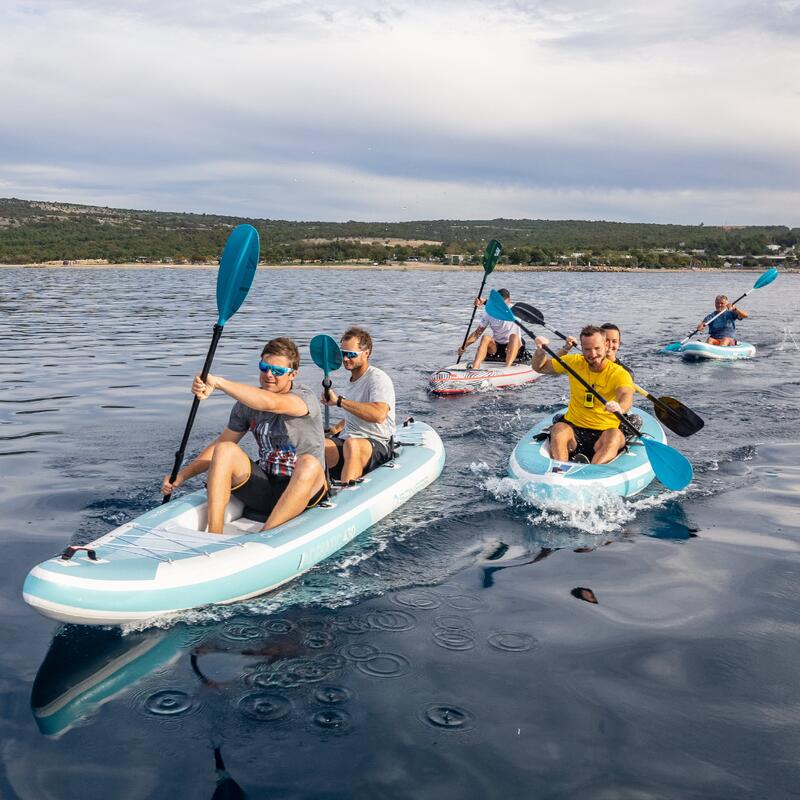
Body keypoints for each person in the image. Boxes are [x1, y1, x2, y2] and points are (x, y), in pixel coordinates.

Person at [161, 337, 327, 534]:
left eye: (278, 371)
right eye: (264, 367)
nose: (269, 375)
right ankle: (214, 534)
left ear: (293, 374)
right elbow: (221, 444)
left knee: (308, 463)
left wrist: (218, 382)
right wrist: (182, 476)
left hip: (306, 489)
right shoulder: (247, 404)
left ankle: (265, 537)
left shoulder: (304, 398)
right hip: (266, 485)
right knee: (224, 448)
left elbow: (270, 403)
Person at [531, 325, 634, 464]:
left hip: (604, 433)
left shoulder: (619, 373)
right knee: (559, 428)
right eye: (587, 349)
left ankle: (593, 471)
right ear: (582, 348)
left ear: (606, 346)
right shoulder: (574, 362)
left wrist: (619, 407)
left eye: (597, 348)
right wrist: (540, 351)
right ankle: (559, 472)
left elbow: (626, 395)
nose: (592, 354)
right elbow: (540, 367)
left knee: (615, 435)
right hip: (574, 430)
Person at [322, 326, 396, 483]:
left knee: (352, 445)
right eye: (343, 354)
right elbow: (358, 410)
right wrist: (335, 429)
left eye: (351, 354)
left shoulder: (377, 378)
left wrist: (340, 401)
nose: (345, 359)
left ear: (367, 353)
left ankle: (346, 497)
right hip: (349, 438)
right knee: (316, 445)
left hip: (378, 443)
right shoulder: (352, 380)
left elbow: (379, 414)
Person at [457, 288, 525, 370]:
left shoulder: (516, 310)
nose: (501, 304)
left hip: (514, 346)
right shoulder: (489, 313)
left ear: (509, 300)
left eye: (504, 301)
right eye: (499, 301)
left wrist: (485, 301)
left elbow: (504, 310)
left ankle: (507, 369)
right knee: (485, 337)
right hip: (496, 348)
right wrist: (464, 346)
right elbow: (476, 334)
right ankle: (475, 368)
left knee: (513, 336)